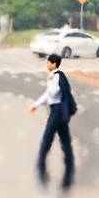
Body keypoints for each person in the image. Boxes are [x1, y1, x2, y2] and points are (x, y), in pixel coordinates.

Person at [28, 53, 76, 189]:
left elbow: (53, 93)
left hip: (57, 112)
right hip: (59, 112)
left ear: (54, 64)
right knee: (65, 140)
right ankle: (69, 167)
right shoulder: (56, 76)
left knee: (47, 138)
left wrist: (49, 81)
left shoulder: (56, 76)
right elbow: (48, 94)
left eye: (48, 62)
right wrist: (35, 105)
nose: (47, 65)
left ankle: (41, 166)